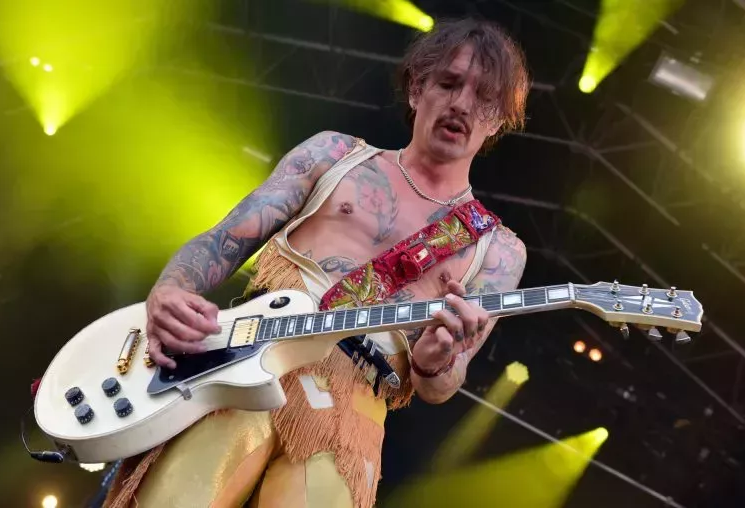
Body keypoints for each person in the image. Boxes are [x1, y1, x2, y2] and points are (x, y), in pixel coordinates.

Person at [107, 17, 530, 508]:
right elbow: (223, 239)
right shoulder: (334, 155)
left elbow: (442, 386)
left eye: (484, 98)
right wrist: (171, 288)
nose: (462, 104)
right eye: (449, 83)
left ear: (498, 121)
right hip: (244, 365)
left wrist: (437, 363)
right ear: (418, 88)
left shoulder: (499, 251)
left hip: (351, 415)